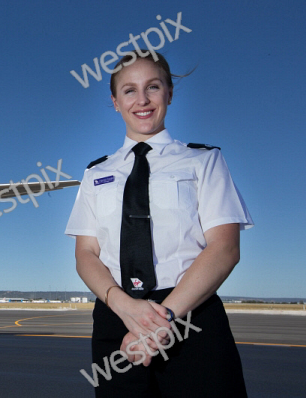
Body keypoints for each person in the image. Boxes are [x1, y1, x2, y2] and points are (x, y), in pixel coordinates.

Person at [65, 50, 253, 397]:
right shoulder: (96, 173)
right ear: (115, 102)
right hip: (116, 315)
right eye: (129, 90)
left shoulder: (203, 160)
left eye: (153, 87)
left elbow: (224, 248)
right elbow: (85, 254)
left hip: (191, 313)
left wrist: (159, 321)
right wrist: (125, 308)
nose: (142, 100)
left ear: (169, 92)